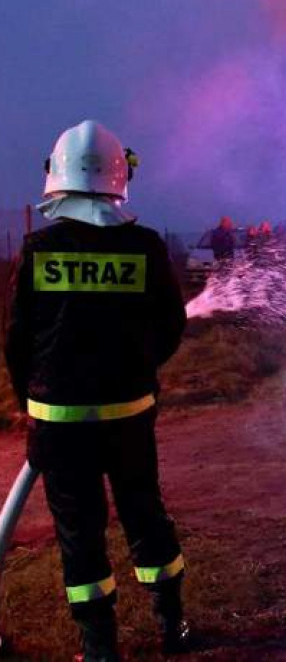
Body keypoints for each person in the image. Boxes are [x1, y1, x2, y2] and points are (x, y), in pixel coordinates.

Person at [3, 120, 191, 661]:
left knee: (79, 533)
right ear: (121, 176)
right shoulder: (146, 247)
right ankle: (172, 624)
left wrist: (28, 403)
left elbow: (17, 340)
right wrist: (138, 370)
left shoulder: (39, 250)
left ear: (55, 176)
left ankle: (99, 646)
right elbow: (171, 326)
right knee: (144, 513)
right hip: (130, 417)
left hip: (58, 425)